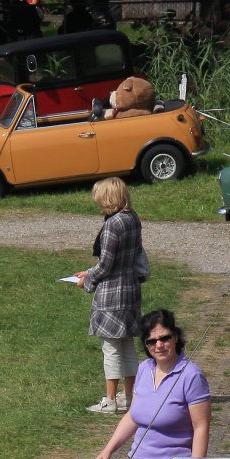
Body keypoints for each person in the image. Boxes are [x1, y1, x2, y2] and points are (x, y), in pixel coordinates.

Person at [93, 309, 212, 459]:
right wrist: (108, 450)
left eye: (164, 338)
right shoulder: (144, 369)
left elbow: (201, 427)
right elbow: (133, 416)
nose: (159, 345)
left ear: (175, 337)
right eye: (151, 341)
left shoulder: (191, 376)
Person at [79, 176, 146, 414]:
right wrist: (88, 272)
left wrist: (88, 280)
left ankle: (109, 401)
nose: (98, 204)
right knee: (127, 345)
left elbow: (106, 264)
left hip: (111, 295)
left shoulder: (112, 224)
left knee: (111, 348)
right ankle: (129, 396)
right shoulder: (133, 218)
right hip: (130, 290)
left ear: (108, 198)